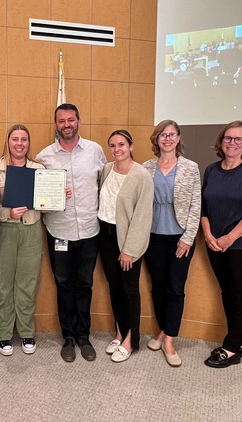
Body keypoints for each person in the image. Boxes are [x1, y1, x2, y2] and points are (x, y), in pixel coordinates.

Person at [36, 103, 107, 363]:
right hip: (59, 230)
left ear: (79, 121)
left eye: (71, 120)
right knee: (64, 285)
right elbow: (38, 196)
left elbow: (104, 185)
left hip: (90, 230)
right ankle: (68, 337)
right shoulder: (45, 157)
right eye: (61, 121)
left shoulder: (96, 151)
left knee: (85, 284)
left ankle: (84, 336)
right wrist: (52, 197)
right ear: (56, 124)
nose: (66, 124)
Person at [201, 120, 242, 368]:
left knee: (239, 294)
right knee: (227, 293)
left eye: (239, 139)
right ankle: (239, 340)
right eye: (228, 138)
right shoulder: (211, 170)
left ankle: (230, 348)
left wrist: (229, 238)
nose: (232, 143)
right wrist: (208, 235)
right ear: (221, 141)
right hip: (215, 244)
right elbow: (204, 207)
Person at [142, 120, 201, 367]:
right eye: (162, 135)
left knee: (175, 288)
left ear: (178, 138)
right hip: (152, 235)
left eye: (172, 134)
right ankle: (163, 329)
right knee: (158, 286)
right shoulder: (146, 168)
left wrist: (188, 238)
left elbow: (196, 205)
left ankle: (169, 339)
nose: (167, 138)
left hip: (180, 238)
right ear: (156, 139)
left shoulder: (190, 167)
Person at [0, 124, 44, 356]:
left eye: (24, 139)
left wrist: (57, 197)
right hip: (4, 230)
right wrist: (6, 214)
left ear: (28, 143)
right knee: (1, 282)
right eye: (15, 139)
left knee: (28, 282)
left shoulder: (39, 169)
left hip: (31, 229)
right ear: (8, 141)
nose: (19, 144)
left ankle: (26, 331)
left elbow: (46, 207)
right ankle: (3, 334)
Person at [99, 130, 153, 363]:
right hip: (105, 234)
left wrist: (129, 249)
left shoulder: (141, 175)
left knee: (129, 290)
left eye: (121, 144)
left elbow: (142, 216)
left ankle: (131, 339)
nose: (116, 149)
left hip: (128, 240)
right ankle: (120, 332)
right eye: (112, 145)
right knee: (114, 286)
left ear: (131, 146)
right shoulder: (107, 169)